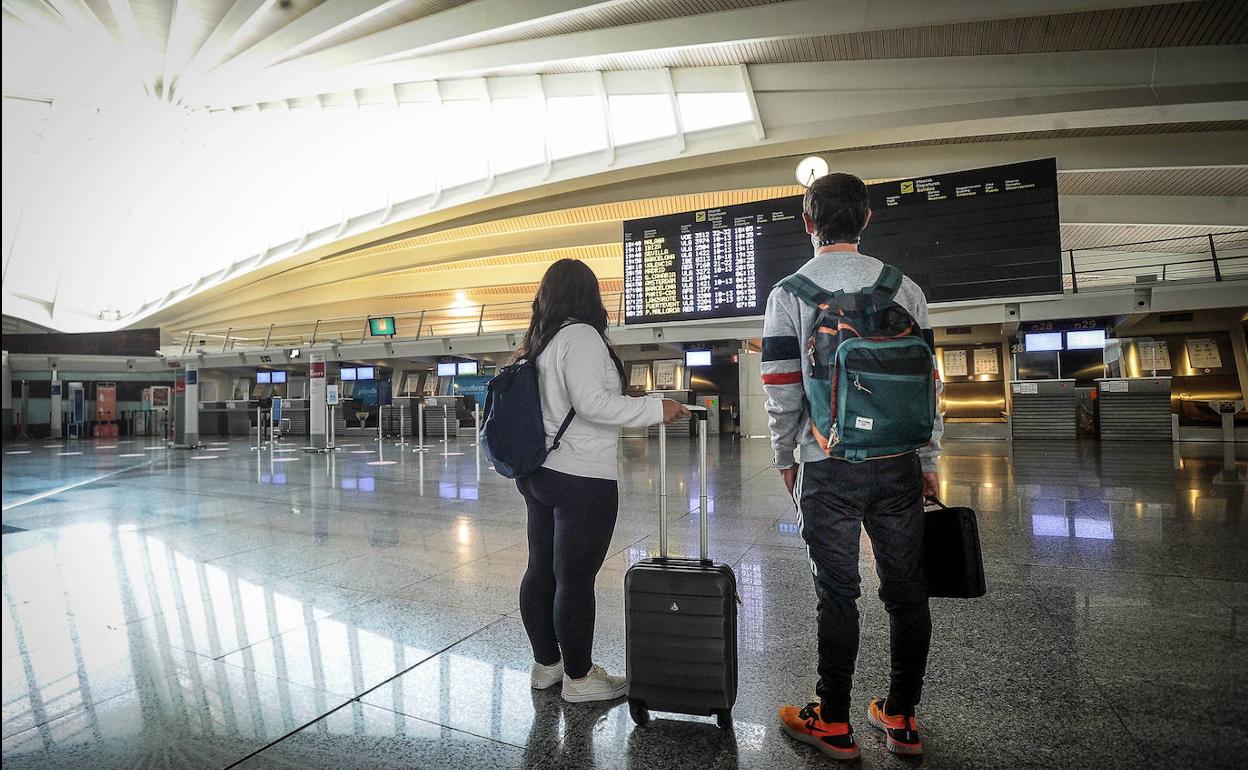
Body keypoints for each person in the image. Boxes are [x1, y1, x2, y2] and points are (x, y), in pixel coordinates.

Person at [765, 173, 943, 760]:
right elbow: (928, 383)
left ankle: (833, 721)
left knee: (836, 593)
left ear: (809, 223)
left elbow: (782, 387)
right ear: (866, 220)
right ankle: (901, 717)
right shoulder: (906, 289)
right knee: (906, 593)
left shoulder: (790, 292)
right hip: (899, 463)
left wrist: (786, 456)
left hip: (827, 461)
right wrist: (929, 459)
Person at [514, 258, 689, 703]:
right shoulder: (582, 336)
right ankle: (579, 678)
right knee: (574, 579)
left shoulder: (541, 341)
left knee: (541, 570)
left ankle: (547, 665)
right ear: (589, 295)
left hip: (541, 473)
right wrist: (655, 408)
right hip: (581, 478)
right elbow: (593, 403)